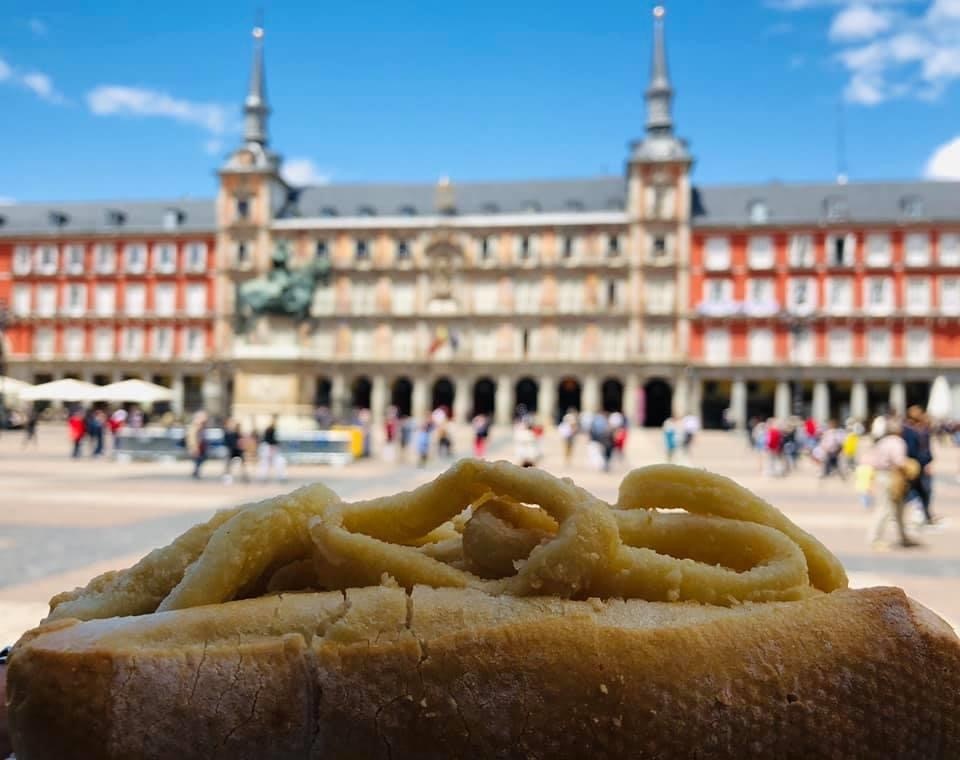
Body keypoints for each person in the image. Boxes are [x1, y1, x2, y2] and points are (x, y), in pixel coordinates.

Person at [868, 418, 920, 549]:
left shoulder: (882, 442)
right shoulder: (898, 442)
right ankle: (875, 538)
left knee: (897, 509)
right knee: (886, 508)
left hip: (880, 475)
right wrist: (912, 467)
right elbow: (899, 461)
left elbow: (872, 460)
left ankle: (903, 536)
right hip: (892, 476)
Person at [901, 406, 936, 525]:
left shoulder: (923, 429)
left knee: (925, 490)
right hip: (913, 464)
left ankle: (925, 514)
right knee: (908, 491)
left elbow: (926, 448)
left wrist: (928, 462)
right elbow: (910, 449)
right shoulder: (908, 429)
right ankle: (900, 514)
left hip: (922, 464)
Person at [257, 414, 286, 482]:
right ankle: (263, 476)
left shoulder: (271, 429)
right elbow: (269, 440)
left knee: (274, 462)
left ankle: (279, 476)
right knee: (270, 462)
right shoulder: (270, 429)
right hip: (269, 447)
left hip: (269, 447)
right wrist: (272, 447)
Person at [222, 418, 249, 484]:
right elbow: (226, 442)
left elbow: (241, 441)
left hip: (238, 450)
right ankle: (227, 478)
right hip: (231, 450)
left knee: (242, 465)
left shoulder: (237, 433)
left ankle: (244, 477)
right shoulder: (227, 432)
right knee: (228, 465)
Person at [186, 411, 208, 479]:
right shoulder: (194, 427)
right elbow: (191, 438)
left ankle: (196, 472)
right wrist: (194, 447)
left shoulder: (202, 426)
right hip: (197, 446)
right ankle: (196, 472)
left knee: (200, 459)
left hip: (202, 446)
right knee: (198, 459)